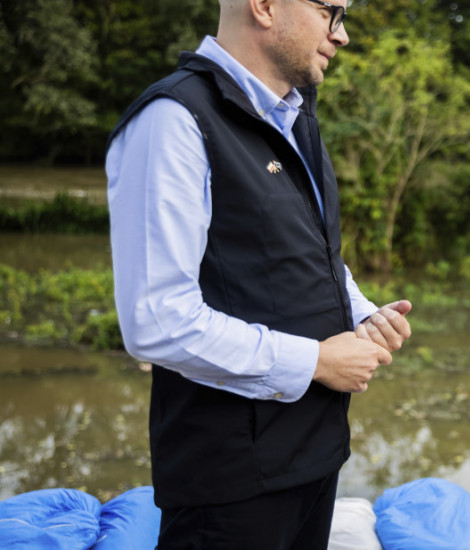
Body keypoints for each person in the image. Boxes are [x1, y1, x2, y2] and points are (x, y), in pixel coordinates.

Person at [105, 1, 412, 547]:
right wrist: (317, 360)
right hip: (231, 485)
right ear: (265, 6)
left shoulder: (295, 115)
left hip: (314, 459)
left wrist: (361, 311)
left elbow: (306, 244)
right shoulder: (174, 119)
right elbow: (155, 320)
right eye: (331, 11)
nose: (341, 35)